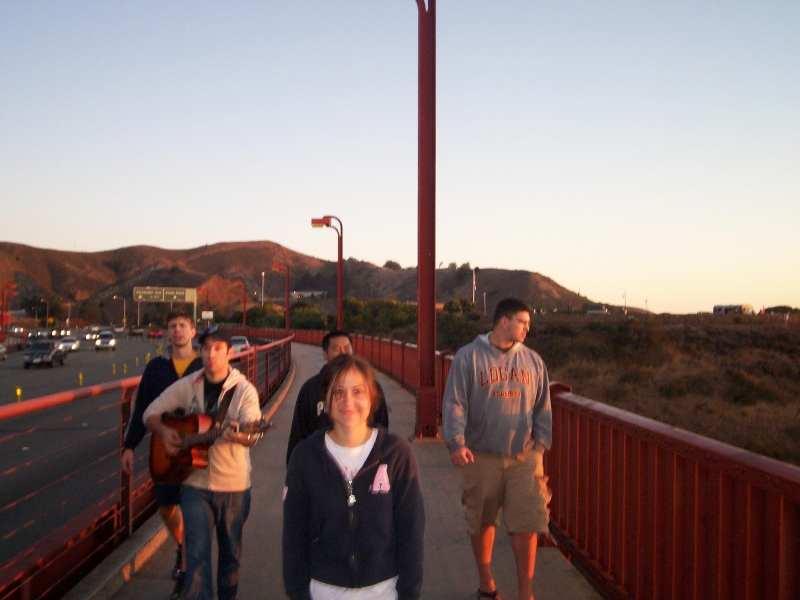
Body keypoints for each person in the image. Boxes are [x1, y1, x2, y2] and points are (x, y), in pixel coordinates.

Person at [283, 354, 425, 600]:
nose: (348, 401)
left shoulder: (397, 454)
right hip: (323, 590)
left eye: (358, 391)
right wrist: (298, 593)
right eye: (338, 392)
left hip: (384, 590)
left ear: (372, 399)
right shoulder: (304, 457)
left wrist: (409, 592)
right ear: (325, 401)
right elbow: (294, 536)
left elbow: (411, 531)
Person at [442, 298, 552, 600]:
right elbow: (454, 403)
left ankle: (526, 593)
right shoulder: (468, 357)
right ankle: (487, 583)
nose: (527, 328)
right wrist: (456, 442)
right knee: (483, 521)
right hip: (481, 455)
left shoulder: (532, 360)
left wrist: (541, 444)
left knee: (527, 525)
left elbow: (543, 405)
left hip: (524, 457)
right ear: (504, 321)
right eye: (523, 322)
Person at [144, 326, 261, 600]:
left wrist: (240, 435)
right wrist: (165, 432)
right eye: (206, 348)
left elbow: (251, 433)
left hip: (233, 486)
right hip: (195, 484)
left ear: (230, 353)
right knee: (196, 555)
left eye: (218, 348)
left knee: (230, 556)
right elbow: (150, 412)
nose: (211, 354)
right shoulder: (189, 385)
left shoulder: (244, 390)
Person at [121, 309, 203, 600]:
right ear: (167, 333)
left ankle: (185, 575)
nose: (177, 330)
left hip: (197, 444)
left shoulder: (204, 363)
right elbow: (142, 407)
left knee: (192, 509)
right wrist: (129, 446)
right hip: (163, 446)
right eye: (172, 326)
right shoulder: (156, 367)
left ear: (192, 331)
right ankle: (182, 547)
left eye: (182, 325)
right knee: (166, 507)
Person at [285, 330, 389, 465]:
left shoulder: (370, 386)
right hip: (320, 465)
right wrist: (294, 465)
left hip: (363, 463)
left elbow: (381, 426)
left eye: (347, 347)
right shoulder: (310, 389)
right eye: (336, 348)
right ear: (325, 354)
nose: (343, 352)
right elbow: (299, 432)